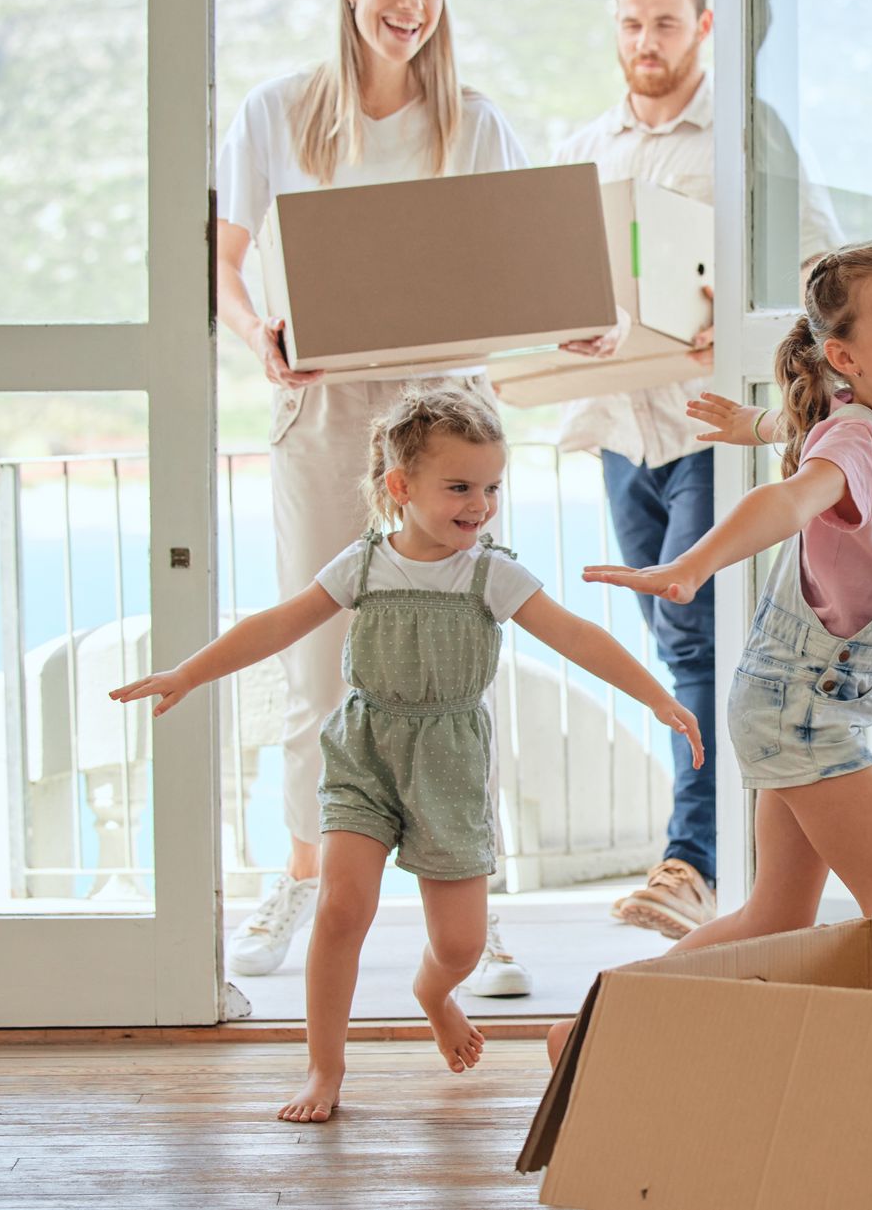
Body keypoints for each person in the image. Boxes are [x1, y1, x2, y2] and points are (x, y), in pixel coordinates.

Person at [114, 386, 703, 1120]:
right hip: (365, 749)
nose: (479, 503)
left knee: (457, 943)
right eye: (459, 486)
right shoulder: (362, 566)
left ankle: (433, 991)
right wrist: (188, 672)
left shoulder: (491, 572)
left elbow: (579, 636)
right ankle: (324, 1069)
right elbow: (276, 624)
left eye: (491, 486)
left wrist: (656, 695)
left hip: (450, 763)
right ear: (401, 486)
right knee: (340, 907)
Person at [215, 0, 530, 993]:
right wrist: (256, 331)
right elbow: (224, 256)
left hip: (445, 413)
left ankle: (477, 915)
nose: (411, 4)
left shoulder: (474, 121)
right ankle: (303, 879)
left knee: (461, 661)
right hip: (326, 404)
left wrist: (572, 316)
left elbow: (520, 264)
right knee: (317, 659)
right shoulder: (276, 110)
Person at [551, 240, 872, 1065]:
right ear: (844, 357)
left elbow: (810, 434)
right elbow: (795, 493)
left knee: (774, 915)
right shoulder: (862, 443)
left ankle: (588, 1031)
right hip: (804, 713)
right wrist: (693, 563)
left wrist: (758, 425)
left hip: (791, 702)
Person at [552, 0, 841, 940]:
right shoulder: (588, 146)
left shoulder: (747, 137)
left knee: (701, 640)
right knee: (678, 642)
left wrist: (747, 318)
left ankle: (693, 863)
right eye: (632, 23)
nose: (647, 42)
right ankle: (712, 865)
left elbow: (821, 269)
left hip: (706, 426)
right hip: (620, 427)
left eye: (666, 24)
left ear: (704, 29)